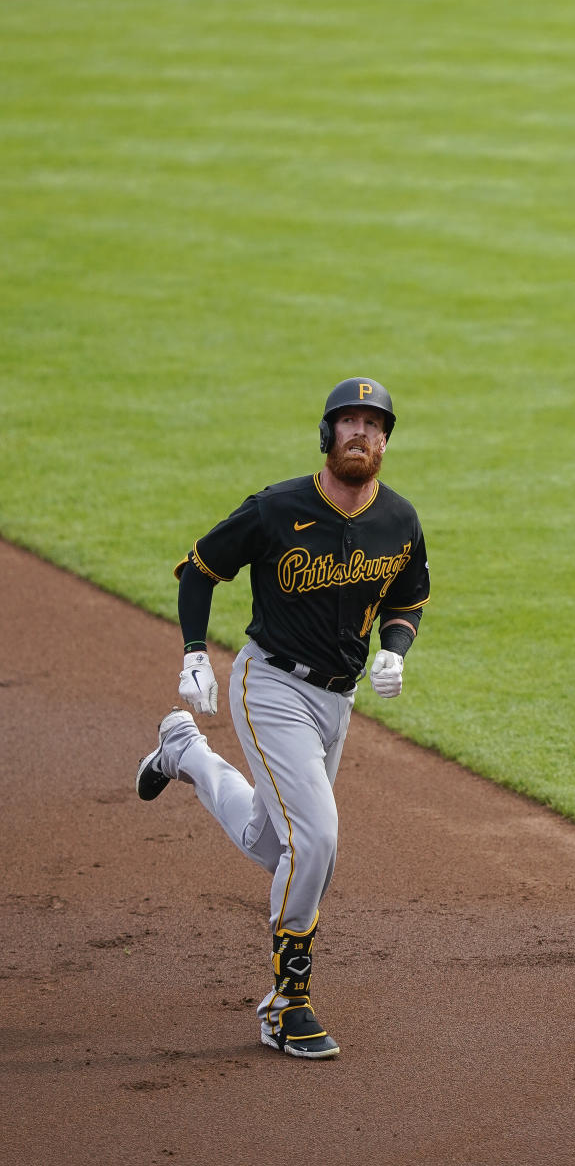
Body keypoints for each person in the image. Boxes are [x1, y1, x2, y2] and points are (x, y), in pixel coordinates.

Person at [135, 377, 429, 1059]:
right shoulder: (276, 509)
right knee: (317, 842)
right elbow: (199, 569)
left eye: (374, 424)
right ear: (327, 436)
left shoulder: (400, 520)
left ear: (386, 440)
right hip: (269, 687)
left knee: (276, 846)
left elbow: (407, 597)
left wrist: (395, 650)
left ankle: (184, 753)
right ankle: (285, 1004)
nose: (361, 433)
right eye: (348, 422)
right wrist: (193, 656)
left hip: (337, 700)